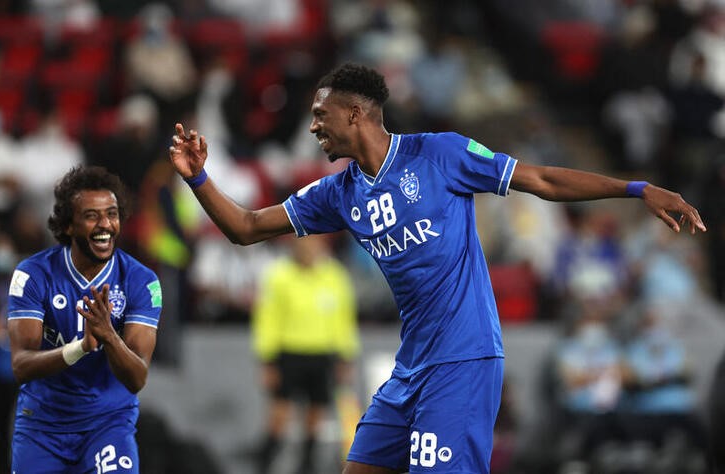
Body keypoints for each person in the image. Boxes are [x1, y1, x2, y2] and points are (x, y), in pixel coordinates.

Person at [168, 62, 706, 474]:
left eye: (319, 115)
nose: (312, 128)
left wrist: (636, 188)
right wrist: (198, 178)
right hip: (410, 369)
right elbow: (245, 228)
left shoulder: (440, 155)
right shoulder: (337, 193)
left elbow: (540, 181)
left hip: (464, 359)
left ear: (355, 114)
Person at [7, 165, 163, 473]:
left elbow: (137, 378)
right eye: (92, 215)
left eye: (112, 214)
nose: (105, 224)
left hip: (108, 423)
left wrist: (108, 336)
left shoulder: (141, 281)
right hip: (43, 426)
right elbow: (21, 366)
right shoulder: (33, 274)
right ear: (68, 226)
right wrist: (80, 348)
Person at [251, 233, 360, 474]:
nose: (308, 250)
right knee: (280, 415)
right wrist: (267, 359)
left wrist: (346, 356)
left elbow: (343, 320)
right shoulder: (279, 276)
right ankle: (264, 462)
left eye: (313, 244)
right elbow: (268, 319)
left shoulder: (334, 276)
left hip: (322, 355)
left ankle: (307, 465)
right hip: (288, 353)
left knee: (315, 415)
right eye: (303, 244)